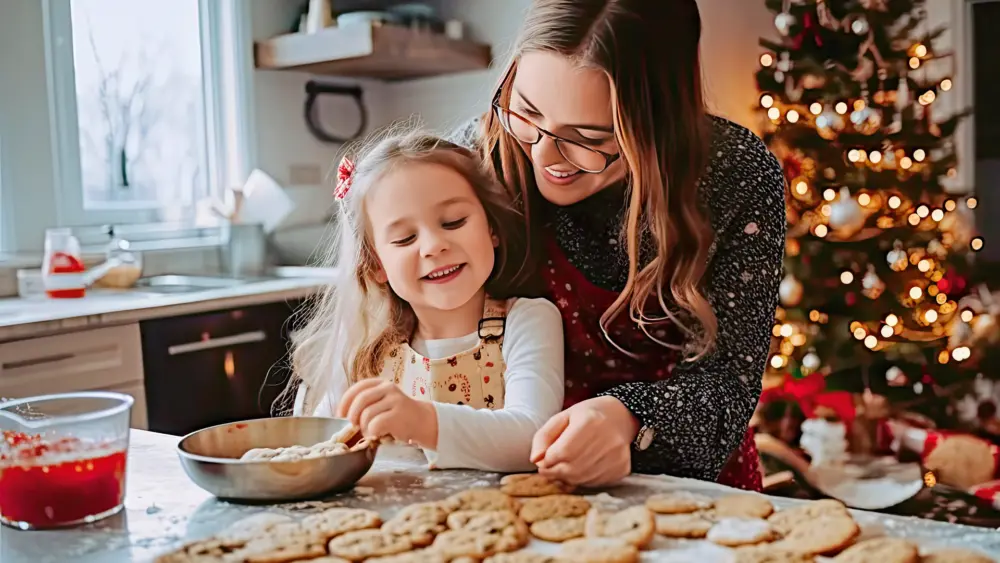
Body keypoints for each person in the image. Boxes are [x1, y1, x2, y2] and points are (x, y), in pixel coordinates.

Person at [451, 0, 786, 490]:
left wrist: (629, 419)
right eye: (526, 112)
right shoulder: (476, 160)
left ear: (658, 124)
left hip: (686, 485)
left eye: (587, 138)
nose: (544, 155)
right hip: (507, 472)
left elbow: (728, 385)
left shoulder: (734, 173)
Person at [287, 128, 565, 473]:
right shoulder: (364, 342)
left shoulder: (528, 320)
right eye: (404, 239)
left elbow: (533, 439)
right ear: (376, 266)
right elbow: (321, 442)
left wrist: (422, 422)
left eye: (453, 222)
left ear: (492, 228)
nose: (433, 246)